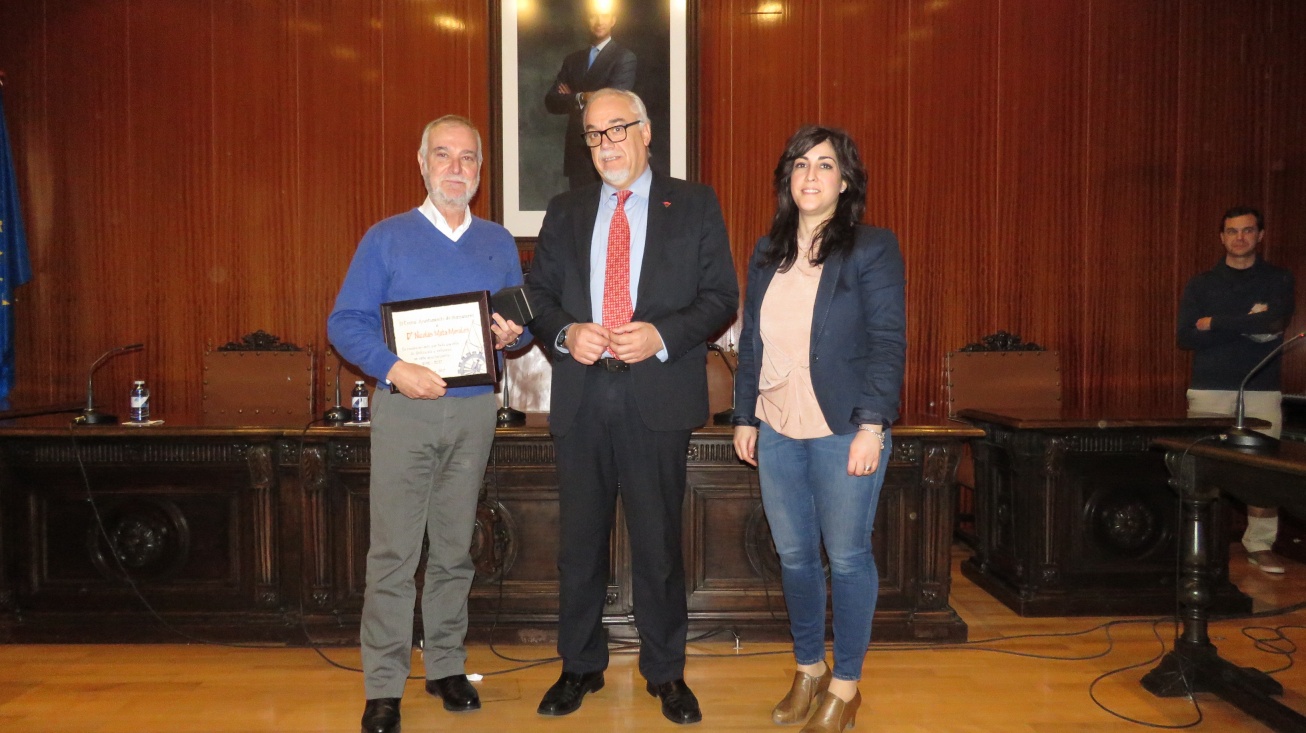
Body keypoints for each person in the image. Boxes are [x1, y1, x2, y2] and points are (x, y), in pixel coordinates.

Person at [526, 88, 738, 725]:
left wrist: (662, 335)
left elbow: (720, 296)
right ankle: (581, 665)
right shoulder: (565, 211)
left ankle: (666, 672)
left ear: (646, 132)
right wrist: (566, 332)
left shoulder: (694, 203)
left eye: (617, 128)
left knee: (658, 545)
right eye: (593, 135)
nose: (606, 143)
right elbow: (538, 295)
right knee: (580, 545)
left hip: (657, 393)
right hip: (583, 394)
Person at [328, 115, 529, 733]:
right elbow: (345, 323)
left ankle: (445, 666)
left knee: (453, 549)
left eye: (468, 158)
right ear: (421, 163)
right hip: (405, 411)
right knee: (393, 552)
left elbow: (519, 328)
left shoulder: (498, 242)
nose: (456, 168)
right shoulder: (385, 238)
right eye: (443, 155)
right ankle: (384, 686)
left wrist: (514, 337)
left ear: (479, 170)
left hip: (474, 413)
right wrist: (394, 368)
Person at [732, 125, 906, 733]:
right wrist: (744, 416)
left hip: (844, 429)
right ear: (788, 178)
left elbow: (887, 344)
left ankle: (846, 684)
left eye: (825, 165)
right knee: (796, 556)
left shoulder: (872, 249)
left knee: (850, 557)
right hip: (777, 426)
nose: (810, 176)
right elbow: (751, 343)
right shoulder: (765, 252)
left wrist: (873, 426)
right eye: (800, 165)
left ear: (846, 179)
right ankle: (808, 669)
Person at [1178, 205, 1296, 574]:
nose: (1239, 238)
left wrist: (1214, 322)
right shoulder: (1201, 284)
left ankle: (1259, 545)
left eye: (1247, 231)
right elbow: (1185, 336)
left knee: (1263, 472)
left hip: (1261, 390)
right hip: (1209, 388)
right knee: (1206, 468)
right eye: (1232, 231)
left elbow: (1276, 322)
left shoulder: (1278, 279)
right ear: (1222, 237)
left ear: (1260, 236)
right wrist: (1250, 323)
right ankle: (1202, 543)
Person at [544, 5, 637, 190]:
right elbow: (552, 101)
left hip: (609, 147)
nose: (599, 21)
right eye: (593, 16)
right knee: (579, 214)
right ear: (587, 21)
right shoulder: (572, 60)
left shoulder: (624, 58)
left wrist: (573, 96)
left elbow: (614, 101)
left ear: (613, 20)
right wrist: (582, 96)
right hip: (577, 150)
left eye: (604, 16)